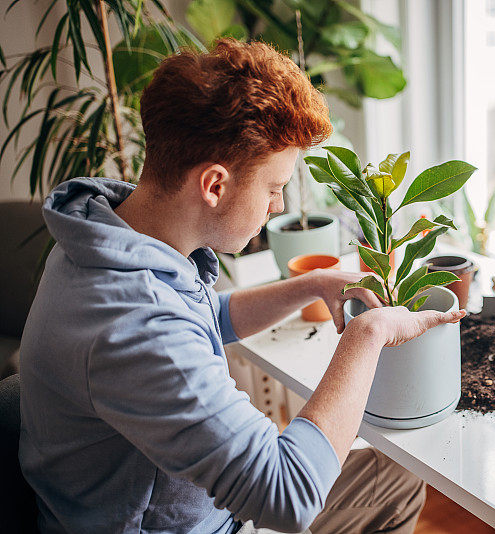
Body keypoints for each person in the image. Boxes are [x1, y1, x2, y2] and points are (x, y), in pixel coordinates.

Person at [18, 39, 465, 534]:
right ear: (215, 185)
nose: (277, 206)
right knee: (390, 483)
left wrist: (310, 284)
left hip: (190, 508)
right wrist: (369, 334)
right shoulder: (136, 325)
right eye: (273, 189)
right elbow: (290, 496)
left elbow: (208, 316)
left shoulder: (106, 237)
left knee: (394, 478)